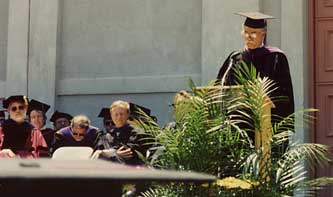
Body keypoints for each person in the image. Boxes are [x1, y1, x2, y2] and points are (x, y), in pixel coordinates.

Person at [216, 12, 294, 122]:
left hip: (266, 121)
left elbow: (284, 92)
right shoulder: (235, 58)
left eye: (253, 33)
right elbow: (221, 85)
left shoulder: (276, 57)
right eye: (246, 32)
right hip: (239, 121)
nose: (248, 37)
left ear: (263, 35)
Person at [94, 100, 147, 165]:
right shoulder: (106, 136)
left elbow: (128, 152)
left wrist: (109, 154)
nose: (119, 117)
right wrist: (114, 153)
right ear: (111, 116)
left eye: (121, 114)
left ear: (128, 114)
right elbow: (98, 153)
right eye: (116, 114)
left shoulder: (137, 132)